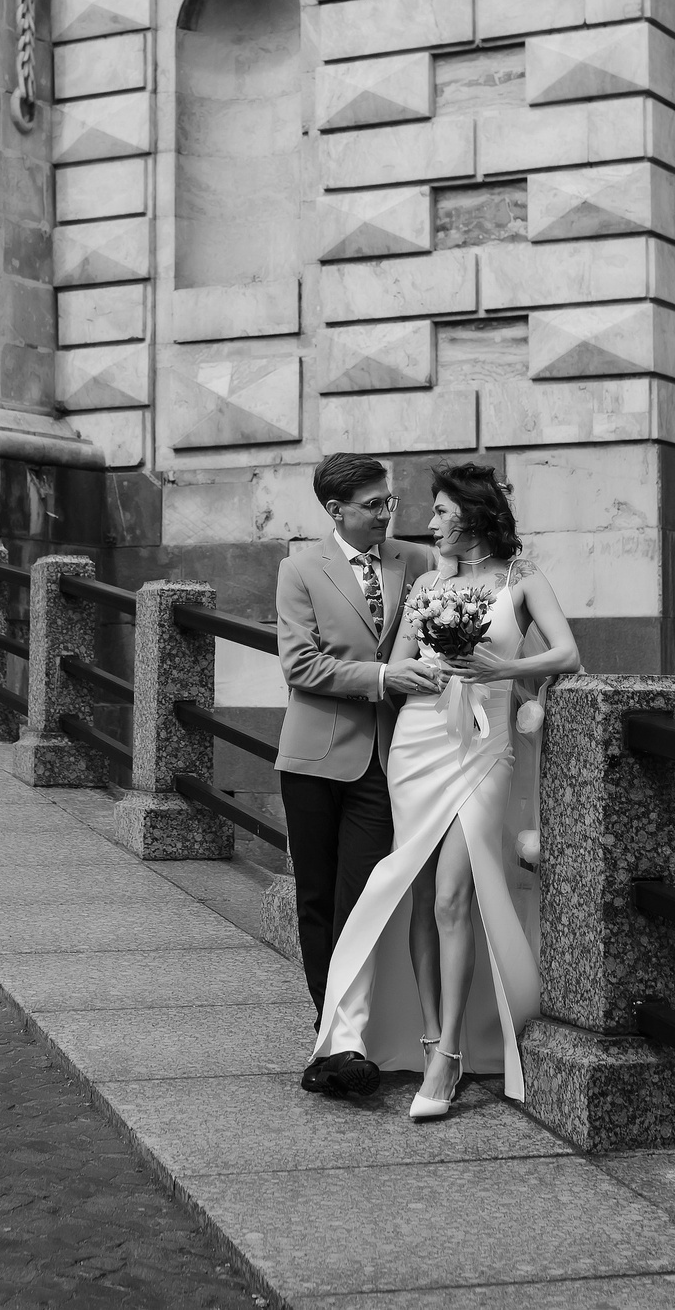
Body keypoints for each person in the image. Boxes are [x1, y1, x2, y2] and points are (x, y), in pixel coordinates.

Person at [310, 461, 583, 1120]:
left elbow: (568, 655)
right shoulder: (431, 582)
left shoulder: (522, 579)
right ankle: (432, 1035)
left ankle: (450, 1053)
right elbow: (403, 662)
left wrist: (504, 666)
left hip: (484, 747)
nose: (427, 523)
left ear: (470, 513)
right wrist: (423, 672)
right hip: (420, 743)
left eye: (438, 511)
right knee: (420, 893)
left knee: (456, 894)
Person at [276, 453, 443, 1099]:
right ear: (335, 510)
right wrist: (382, 678)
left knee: (364, 903)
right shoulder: (299, 570)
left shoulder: (419, 564)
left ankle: (354, 1035)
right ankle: (334, 1040)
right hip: (314, 760)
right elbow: (301, 666)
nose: (385, 513)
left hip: (387, 760)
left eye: (388, 502)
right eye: (372, 504)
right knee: (317, 902)